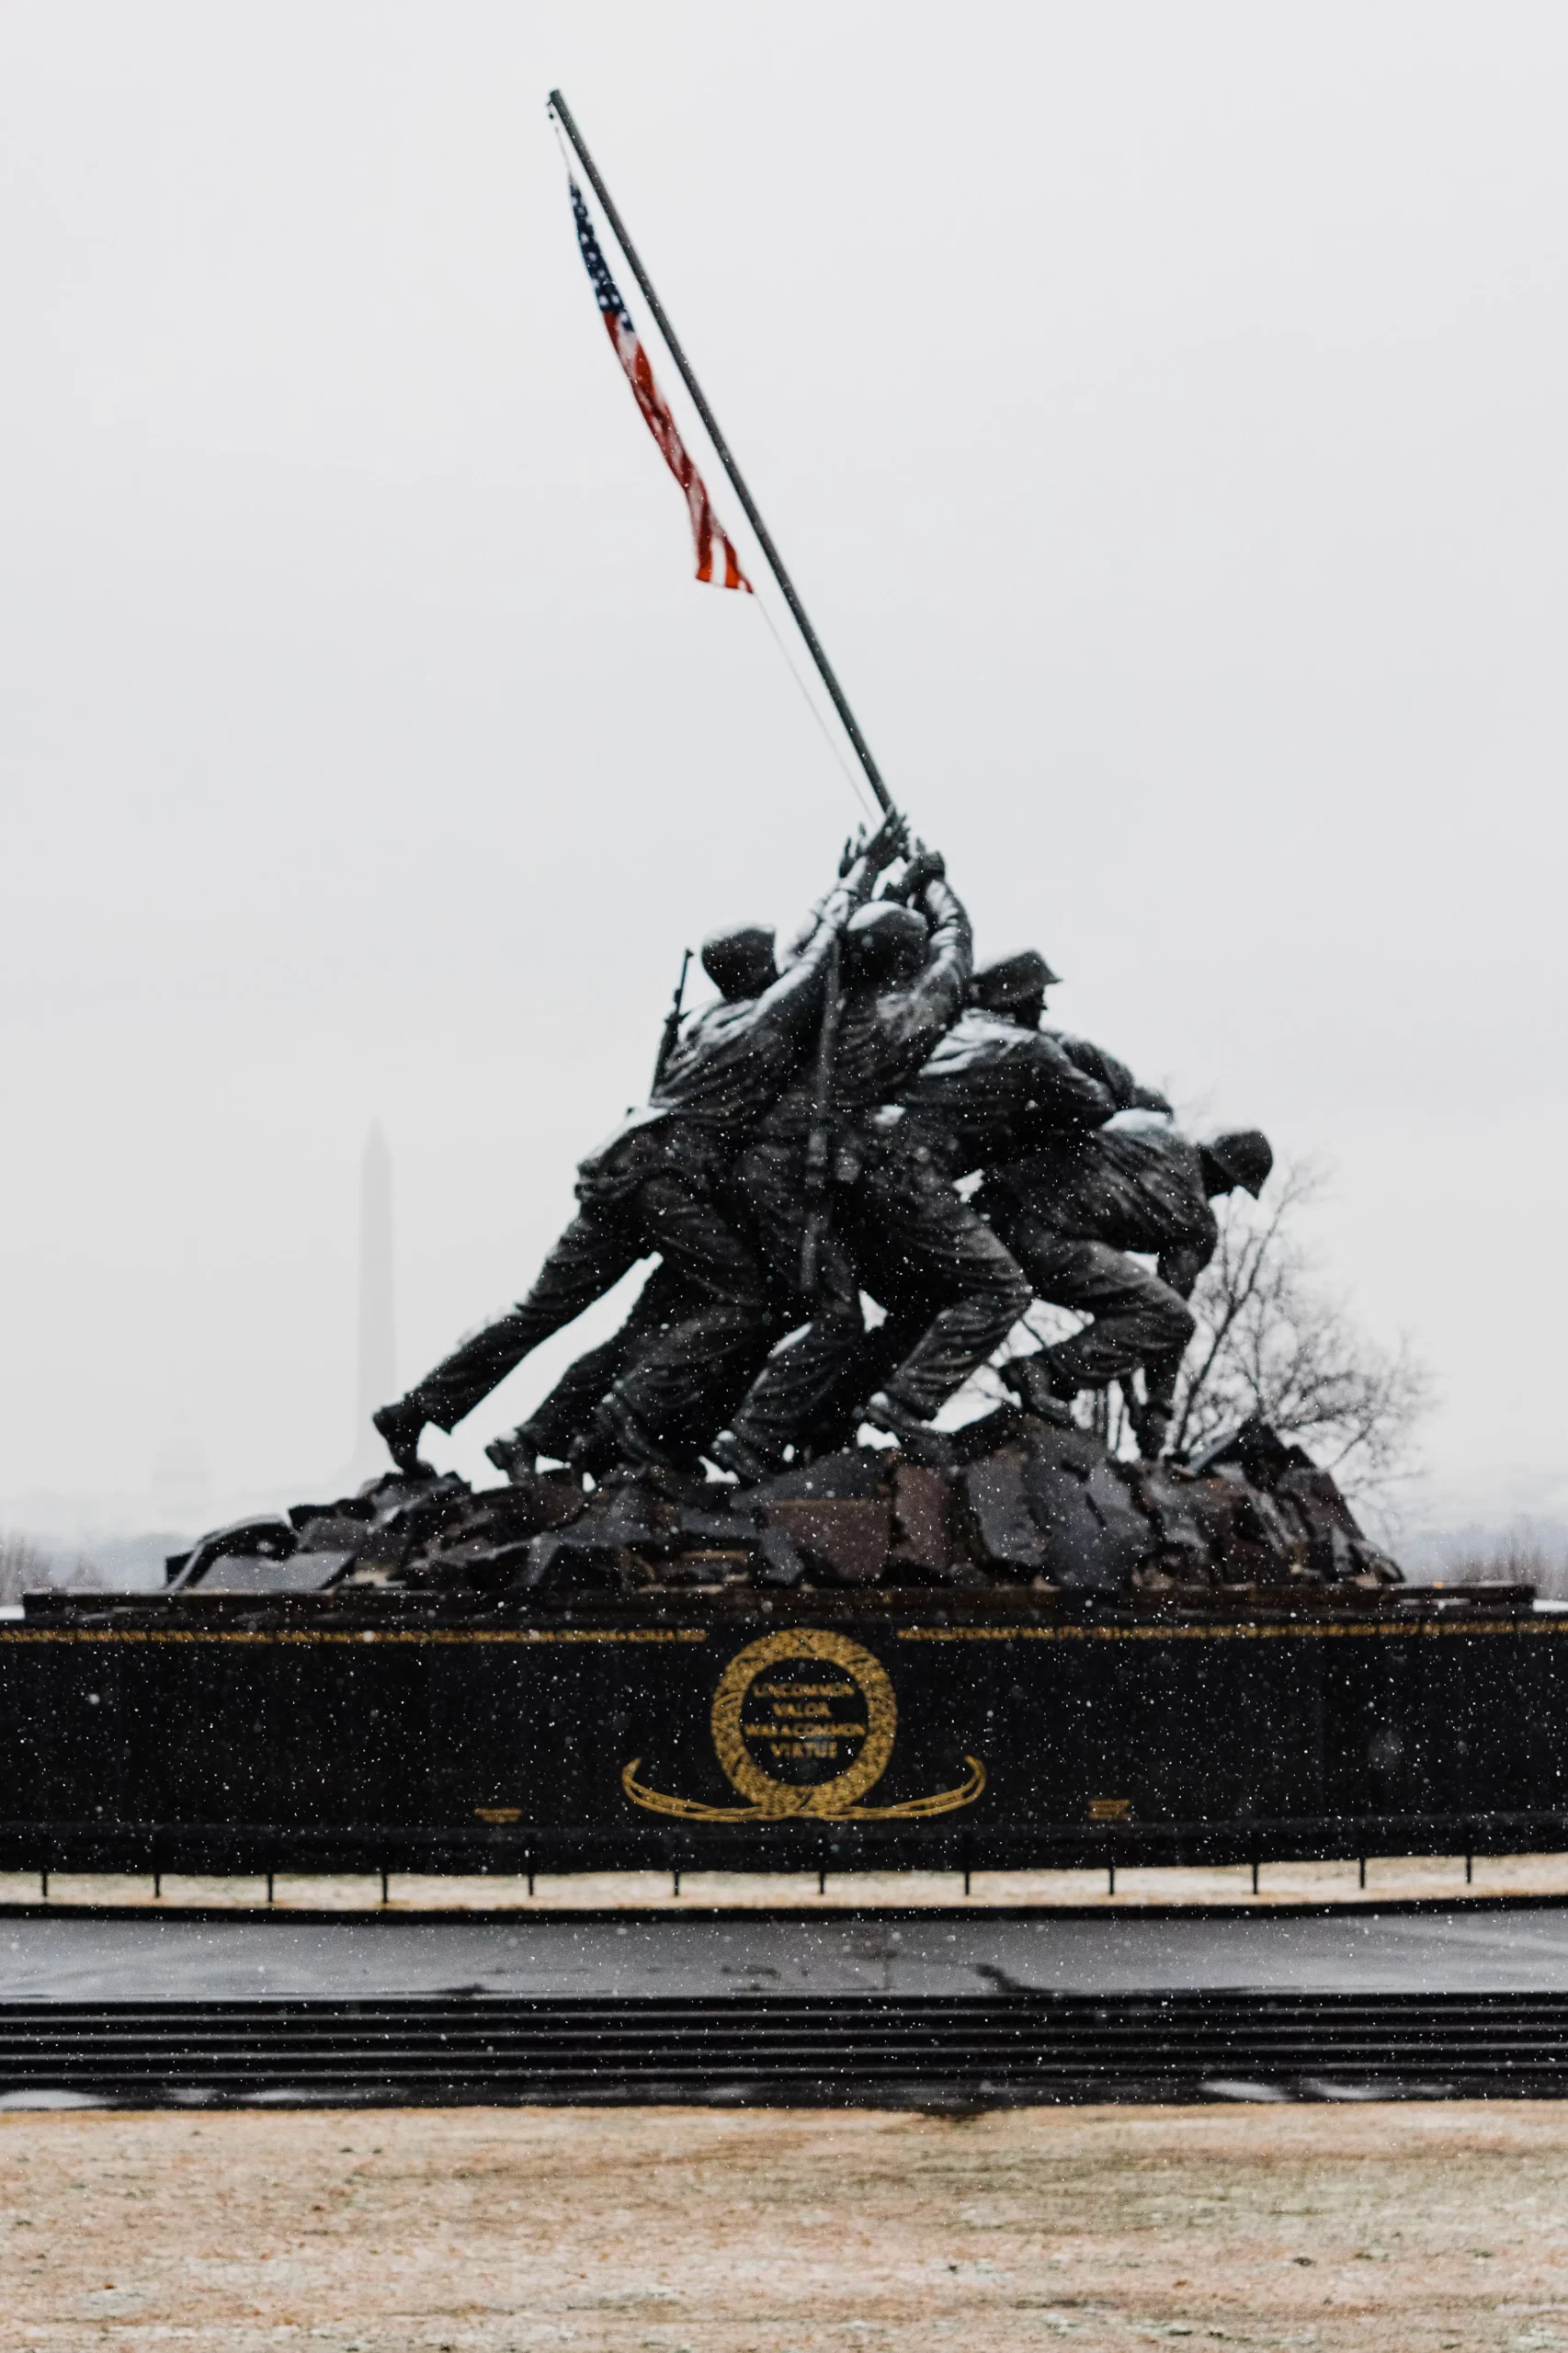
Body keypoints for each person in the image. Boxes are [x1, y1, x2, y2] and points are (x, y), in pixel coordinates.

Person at [373, 818, 905, 1476]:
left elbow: (808, 953)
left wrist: (848, 880)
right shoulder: (763, 1023)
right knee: (743, 1301)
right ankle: (620, 1416)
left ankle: (418, 1408)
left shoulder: (707, 1023)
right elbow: (820, 959)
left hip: (619, 1168)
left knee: (540, 1311)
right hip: (669, 1179)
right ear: (758, 970)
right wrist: (864, 879)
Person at [710, 851, 1033, 1476]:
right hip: (795, 1174)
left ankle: (809, 1427)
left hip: (776, 1168)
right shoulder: (903, 1014)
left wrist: (883, 884)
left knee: (873, 1306)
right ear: (905, 961)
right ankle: (753, 1436)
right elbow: (957, 948)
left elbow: (815, 942)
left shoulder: (823, 1004)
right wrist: (936, 886)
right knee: (839, 1316)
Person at [978, 1124, 1274, 1459]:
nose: (1229, 1193)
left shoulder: (1158, 1134)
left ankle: (1054, 1380)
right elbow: (1169, 1319)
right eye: (1234, 1184)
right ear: (1225, 1175)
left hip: (994, 1211)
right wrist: (1159, 1406)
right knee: (1173, 1320)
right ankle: (1045, 1371)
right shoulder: (1197, 1222)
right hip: (1045, 1238)